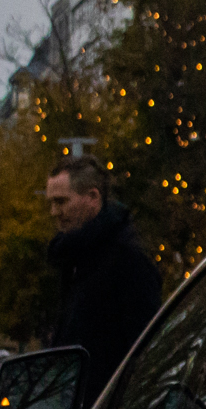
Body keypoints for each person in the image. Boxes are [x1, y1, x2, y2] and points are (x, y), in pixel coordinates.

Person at [44, 160, 163, 394]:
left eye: (61, 202)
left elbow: (143, 350)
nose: (54, 212)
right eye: (51, 203)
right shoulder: (77, 257)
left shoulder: (126, 261)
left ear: (92, 197)